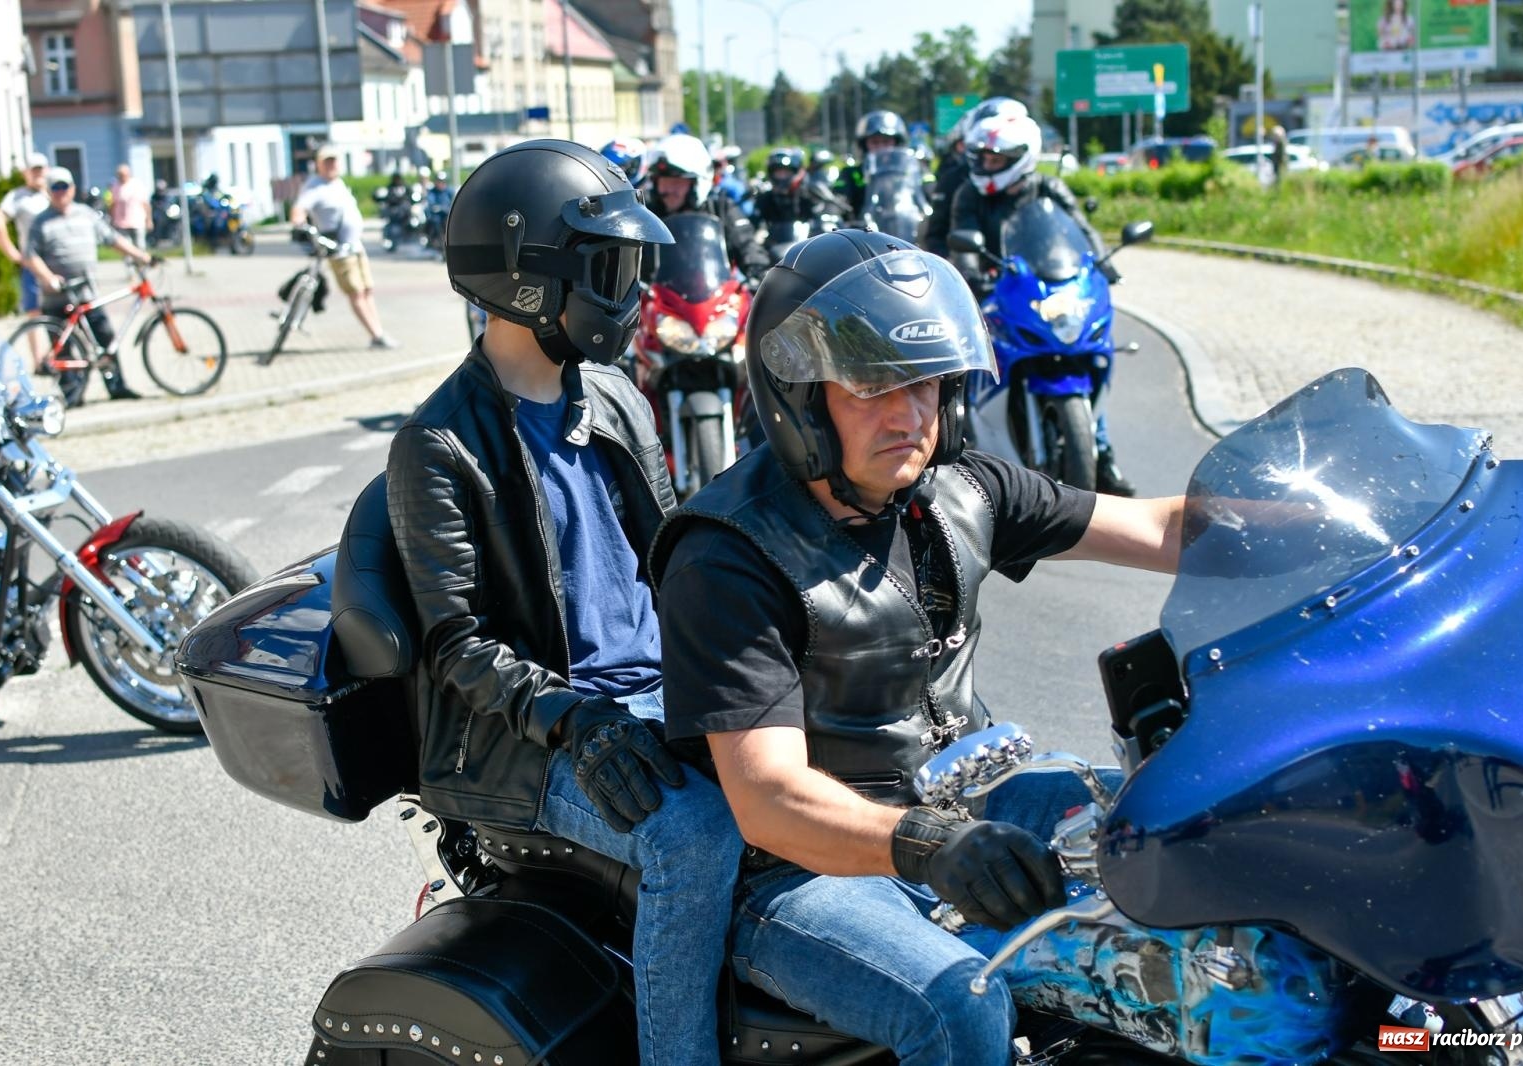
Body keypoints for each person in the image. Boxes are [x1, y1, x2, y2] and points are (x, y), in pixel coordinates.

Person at [650, 228, 1186, 1066]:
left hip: (970, 809)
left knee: (1189, 829)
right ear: (801, 394)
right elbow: (770, 799)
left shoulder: (961, 489)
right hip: (805, 873)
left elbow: (1158, 526)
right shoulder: (728, 554)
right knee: (961, 1007)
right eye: (872, 386)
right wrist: (930, 843)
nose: (911, 415)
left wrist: (1335, 527)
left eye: (927, 383)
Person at [386, 138, 744, 1066]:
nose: (626, 291)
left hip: (655, 695)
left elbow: (675, 558)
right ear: (529, 279)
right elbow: (457, 645)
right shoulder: (438, 444)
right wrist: (579, 722)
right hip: (532, 740)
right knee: (696, 836)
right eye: (608, 267)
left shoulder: (618, 396)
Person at [949, 110, 1136, 495]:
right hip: (994, 292)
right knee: (961, 362)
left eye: (996, 160)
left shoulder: (1049, 188)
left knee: (1084, 355)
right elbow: (961, 236)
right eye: (983, 158)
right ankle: (956, 442)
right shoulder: (969, 194)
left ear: (1022, 157)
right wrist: (969, 272)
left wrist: (1103, 264)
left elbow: (1081, 230)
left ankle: (1102, 451)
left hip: (1044, 291)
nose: (987, 166)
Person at [23, 166, 150, 405]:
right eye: (55, 188)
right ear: (49, 192)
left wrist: (140, 255)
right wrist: (48, 277)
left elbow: (112, 238)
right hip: (56, 296)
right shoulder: (41, 222)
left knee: (105, 338)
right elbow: (30, 255)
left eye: (64, 187)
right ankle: (72, 395)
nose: (61, 192)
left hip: (86, 293)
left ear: (72, 189)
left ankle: (117, 386)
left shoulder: (86, 214)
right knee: (64, 348)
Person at [290, 146, 398, 349]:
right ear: (319, 164)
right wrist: (299, 224)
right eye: (327, 161)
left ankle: (379, 330)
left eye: (334, 161)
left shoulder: (337, 183)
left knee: (367, 289)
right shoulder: (314, 187)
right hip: (338, 250)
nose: (332, 165)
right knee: (355, 292)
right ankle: (376, 335)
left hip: (355, 246)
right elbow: (299, 209)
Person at [644, 133, 769, 284]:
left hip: (716, 300)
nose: (667, 190)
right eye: (662, 181)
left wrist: (758, 273)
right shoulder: (646, 216)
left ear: (698, 182)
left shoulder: (721, 208)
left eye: (676, 182)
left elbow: (747, 245)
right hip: (659, 301)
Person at [924, 98, 1025, 255]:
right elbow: (935, 236)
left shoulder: (1038, 184)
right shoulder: (956, 182)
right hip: (968, 270)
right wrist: (956, 269)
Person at [0, 152, 51, 331]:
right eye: (34, 170)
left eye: (41, 170)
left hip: (57, 260)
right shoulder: (18, 196)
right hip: (33, 262)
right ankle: (39, 358)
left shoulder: (56, 192)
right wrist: (14, 254)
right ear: (26, 172)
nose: (38, 174)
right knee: (34, 313)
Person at [836, 110, 920, 219]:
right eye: (875, 142)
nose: (881, 147)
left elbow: (927, 198)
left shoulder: (909, 172)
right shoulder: (851, 173)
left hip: (905, 231)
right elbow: (839, 199)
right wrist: (831, 215)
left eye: (886, 142)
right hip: (863, 233)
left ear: (897, 143)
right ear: (864, 145)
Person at [753, 146, 845, 234]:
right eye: (778, 172)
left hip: (807, 245)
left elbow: (826, 214)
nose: (782, 177)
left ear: (796, 173)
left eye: (786, 172)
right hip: (774, 247)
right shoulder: (765, 198)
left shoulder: (809, 195)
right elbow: (753, 223)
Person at [109, 163, 151, 249]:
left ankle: (140, 262)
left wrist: (149, 219)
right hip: (121, 223)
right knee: (126, 246)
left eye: (123, 175)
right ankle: (130, 262)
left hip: (137, 221)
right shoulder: (115, 186)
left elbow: (145, 203)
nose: (121, 177)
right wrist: (112, 219)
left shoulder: (137, 185)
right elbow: (113, 204)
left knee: (139, 246)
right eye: (119, 175)